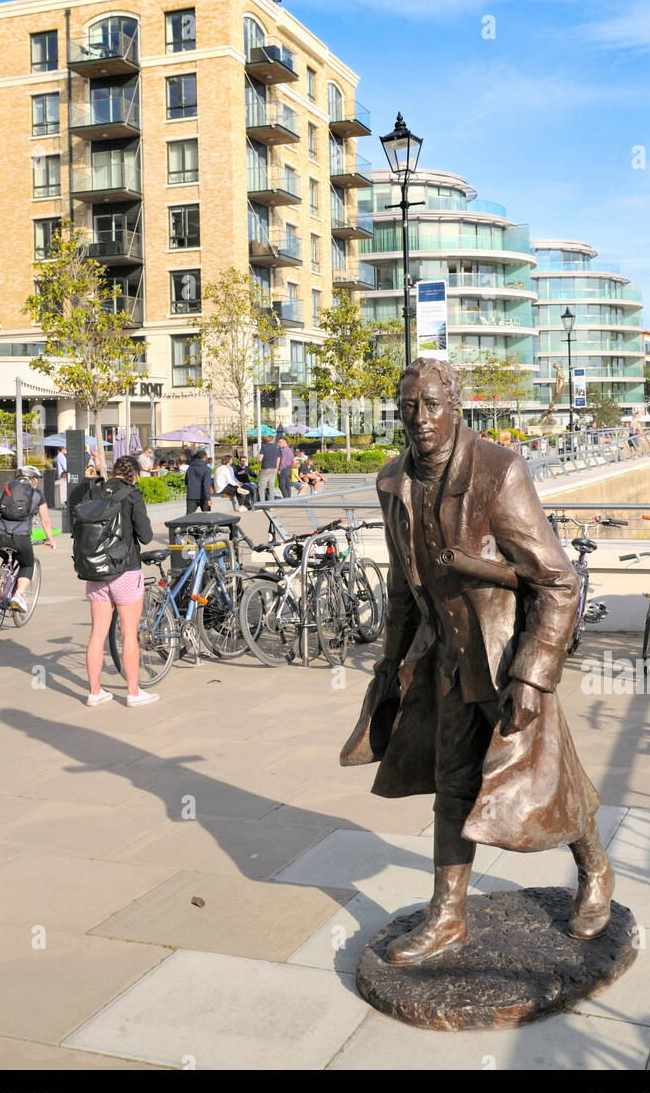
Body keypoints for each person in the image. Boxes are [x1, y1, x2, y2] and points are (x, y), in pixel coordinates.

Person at [340, 357, 612, 963]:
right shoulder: (393, 481)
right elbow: (401, 589)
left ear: (453, 405)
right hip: (444, 659)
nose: (419, 418)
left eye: (431, 404)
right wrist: (388, 670)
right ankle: (448, 916)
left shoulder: (498, 470)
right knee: (452, 784)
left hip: (505, 656)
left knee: (550, 779)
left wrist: (532, 675)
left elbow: (557, 582)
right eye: (408, 406)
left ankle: (594, 868)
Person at [71, 455, 158, 708]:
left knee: (97, 634)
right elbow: (146, 536)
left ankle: (95, 691)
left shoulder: (95, 492)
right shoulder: (132, 494)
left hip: (95, 571)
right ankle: (133, 692)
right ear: (134, 474)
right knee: (129, 634)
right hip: (125, 570)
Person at [0, 464, 56, 612]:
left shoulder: (7, 490)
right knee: (28, 564)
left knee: (7, 561)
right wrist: (50, 539)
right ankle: (18, 595)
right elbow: (45, 520)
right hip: (20, 539)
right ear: (33, 480)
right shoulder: (37, 495)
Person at [185, 448, 212, 513]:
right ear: (205, 457)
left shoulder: (190, 467)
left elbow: (186, 481)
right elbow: (206, 484)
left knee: (188, 518)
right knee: (207, 517)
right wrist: (208, 498)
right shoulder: (207, 469)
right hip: (203, 496)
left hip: (191, 496)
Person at [257, 435, 281, 502]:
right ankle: (272, 504)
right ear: (272, 440)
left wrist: (260, 463)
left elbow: (260, 458)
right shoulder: (276, 448)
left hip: (265, 468)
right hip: (274, 468)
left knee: (261, 486)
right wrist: (276, 466)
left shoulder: (264, 447)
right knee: (271, 486)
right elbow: (278, 458)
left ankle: (262, 503)